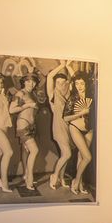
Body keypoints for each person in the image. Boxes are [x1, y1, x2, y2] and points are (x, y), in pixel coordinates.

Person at [64, 74, 94, 197]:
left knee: (81, 157)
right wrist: (80, 113)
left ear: (86, 84)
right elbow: (65, 118)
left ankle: (80, 184)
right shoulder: (73, 98)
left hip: (89, 129)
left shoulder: (92, 97)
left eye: (82, 83)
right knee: (88, 157)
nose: (79, 86)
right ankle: (76, 181)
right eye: (77, 84)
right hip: (75, 128)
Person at [11, 73, 40, 192]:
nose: (31, 84)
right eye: (28, 81)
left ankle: (25, 174)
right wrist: (28, 105)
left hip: (31, 125)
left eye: (33, 82)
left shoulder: (32, 94)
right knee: (34, 150)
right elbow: (11, 109)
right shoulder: (20, 93)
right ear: (24, 82)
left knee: (25, 151)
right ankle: (29, 179)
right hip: (23, 124)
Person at [47, 62, 73, 190]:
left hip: (69, 127)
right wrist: (62, 65)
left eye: (63, 82)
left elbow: (74, 77)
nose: (61, 85)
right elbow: (49, 77)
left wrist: (68, 66)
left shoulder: (69, 93)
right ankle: (55, 175)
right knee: (67, 154)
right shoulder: (52, 94)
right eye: (58, 83)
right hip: (58, 127)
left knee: (65, 154)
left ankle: (62, 177)